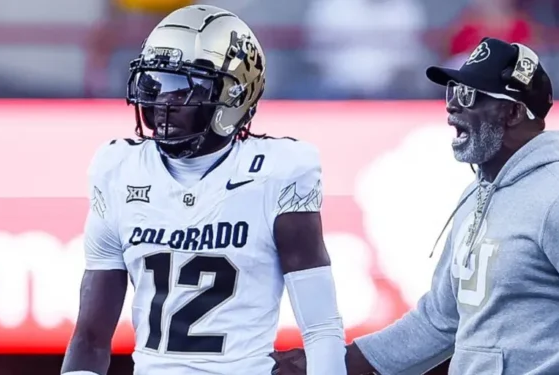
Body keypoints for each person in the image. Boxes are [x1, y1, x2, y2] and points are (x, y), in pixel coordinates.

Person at [272, 37, 559, 375]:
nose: (451, 108)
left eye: (468, 96)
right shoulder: (480, 192)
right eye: (450, 94)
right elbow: (439, 322)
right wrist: (328, 364)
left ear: (513, 111)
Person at [61, 5, 347, 375]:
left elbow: (321, 327)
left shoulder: (279, 171)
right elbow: (90, 338)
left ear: (234, 94)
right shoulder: (118, 169)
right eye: (154, 84)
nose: (162, 103)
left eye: (181, 88)